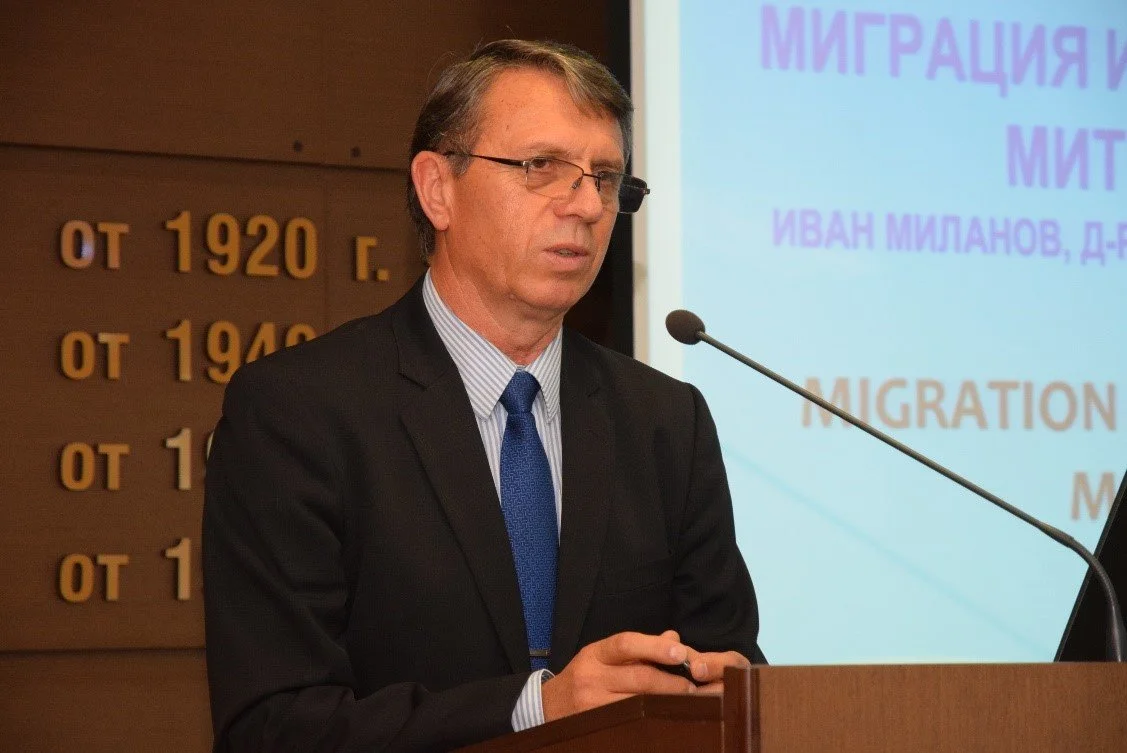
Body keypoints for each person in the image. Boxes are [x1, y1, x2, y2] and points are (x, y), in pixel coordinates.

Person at [202, 39, 765, 753]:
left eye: (606, 177)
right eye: (542, 167)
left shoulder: (663, 421)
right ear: (437, 188)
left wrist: (722, 686)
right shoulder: (298, 412)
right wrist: (537, 706)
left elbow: (731, 667)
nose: (588, 204)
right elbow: (273, 726)